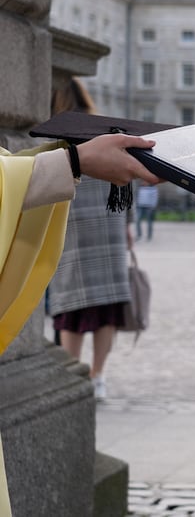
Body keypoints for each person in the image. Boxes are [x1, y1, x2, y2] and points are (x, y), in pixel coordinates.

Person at [1, 114, 159, 512]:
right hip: (89, 221)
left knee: (88, 311)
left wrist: (70, 161)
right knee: (89, 311)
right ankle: (95, 374)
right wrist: (72, 162)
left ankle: (95, 373)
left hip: (88, 226)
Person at [46, 79, 135, 400]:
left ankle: (74, 377)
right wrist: (127, 223)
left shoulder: (56, 136)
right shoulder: (105, 130)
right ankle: (98, 377)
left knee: (71, 308)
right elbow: (127, 177)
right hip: (108, 225)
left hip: (71, 228)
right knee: (105, 306)